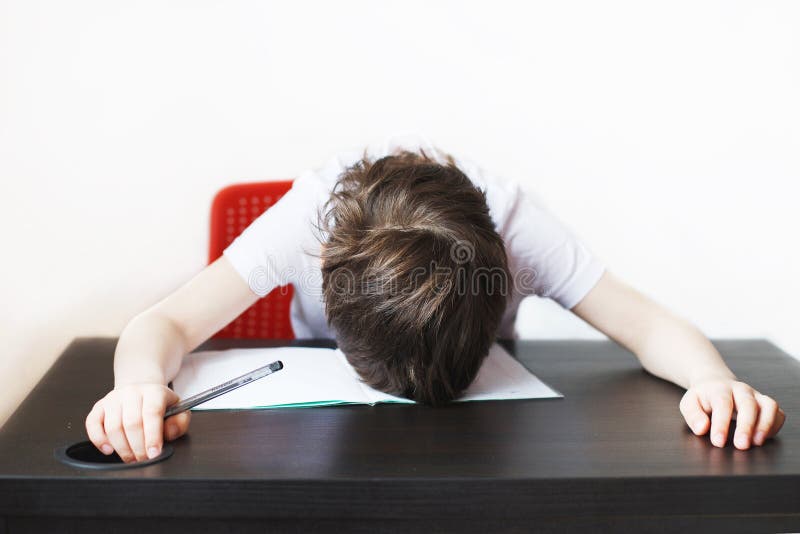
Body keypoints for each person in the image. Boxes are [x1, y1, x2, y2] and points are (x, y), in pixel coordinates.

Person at [85, 135, 786, 463]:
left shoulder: (520, 229)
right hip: (325, 441)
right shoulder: (308, 221)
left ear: (506, 270)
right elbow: (168, 321)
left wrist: (713, 381)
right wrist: (137, 384)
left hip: (476, 438)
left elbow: (650, 324)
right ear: (326, 267)